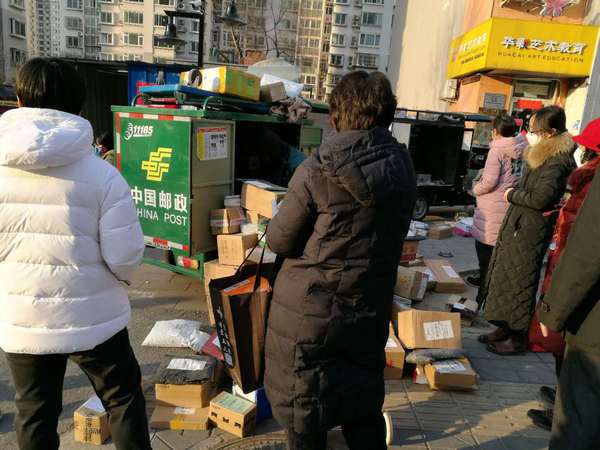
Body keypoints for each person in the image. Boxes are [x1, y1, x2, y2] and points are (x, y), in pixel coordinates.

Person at [0, 58, 149, 450]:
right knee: (123, 399)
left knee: (35, 413)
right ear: (79, 107)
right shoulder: (104, 176)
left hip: (24, 318)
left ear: (20, 101)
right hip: (94, 317)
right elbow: (124, 256)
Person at [263, 71, 417, 450]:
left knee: (306, 408)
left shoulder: (316, 169)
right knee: (360, 402)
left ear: (334, 117)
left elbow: (280, 239)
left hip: (310, 313)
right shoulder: (402, 168)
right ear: (388, 116)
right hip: (368, 307)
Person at [480, 106, 576, 355]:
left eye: (535, 131)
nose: (530, 135)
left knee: (521, 281)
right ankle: (503, 326)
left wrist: (512, 195)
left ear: (551, 132)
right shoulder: (542, 154)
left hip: (531, 230)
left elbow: (541, 198)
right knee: (505, 278)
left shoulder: (558, 160)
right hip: (519, 225)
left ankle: (518, 336)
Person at [527, 119, 600, 431]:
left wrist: (552, 310)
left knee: (577, 377)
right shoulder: (585, 178)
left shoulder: (591, 180)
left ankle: (563, 409)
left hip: (583, 298)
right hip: (573, 277)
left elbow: (587, 250)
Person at [470, 115, 526, 307]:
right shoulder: (521, 149)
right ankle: (489, 296)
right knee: (497, 259)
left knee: (485, 258)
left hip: (492, 208)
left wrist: (475, 189)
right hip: (508, 205)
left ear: (495, 131)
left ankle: (482, 301)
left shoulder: (497, 151)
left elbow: (489, 182)